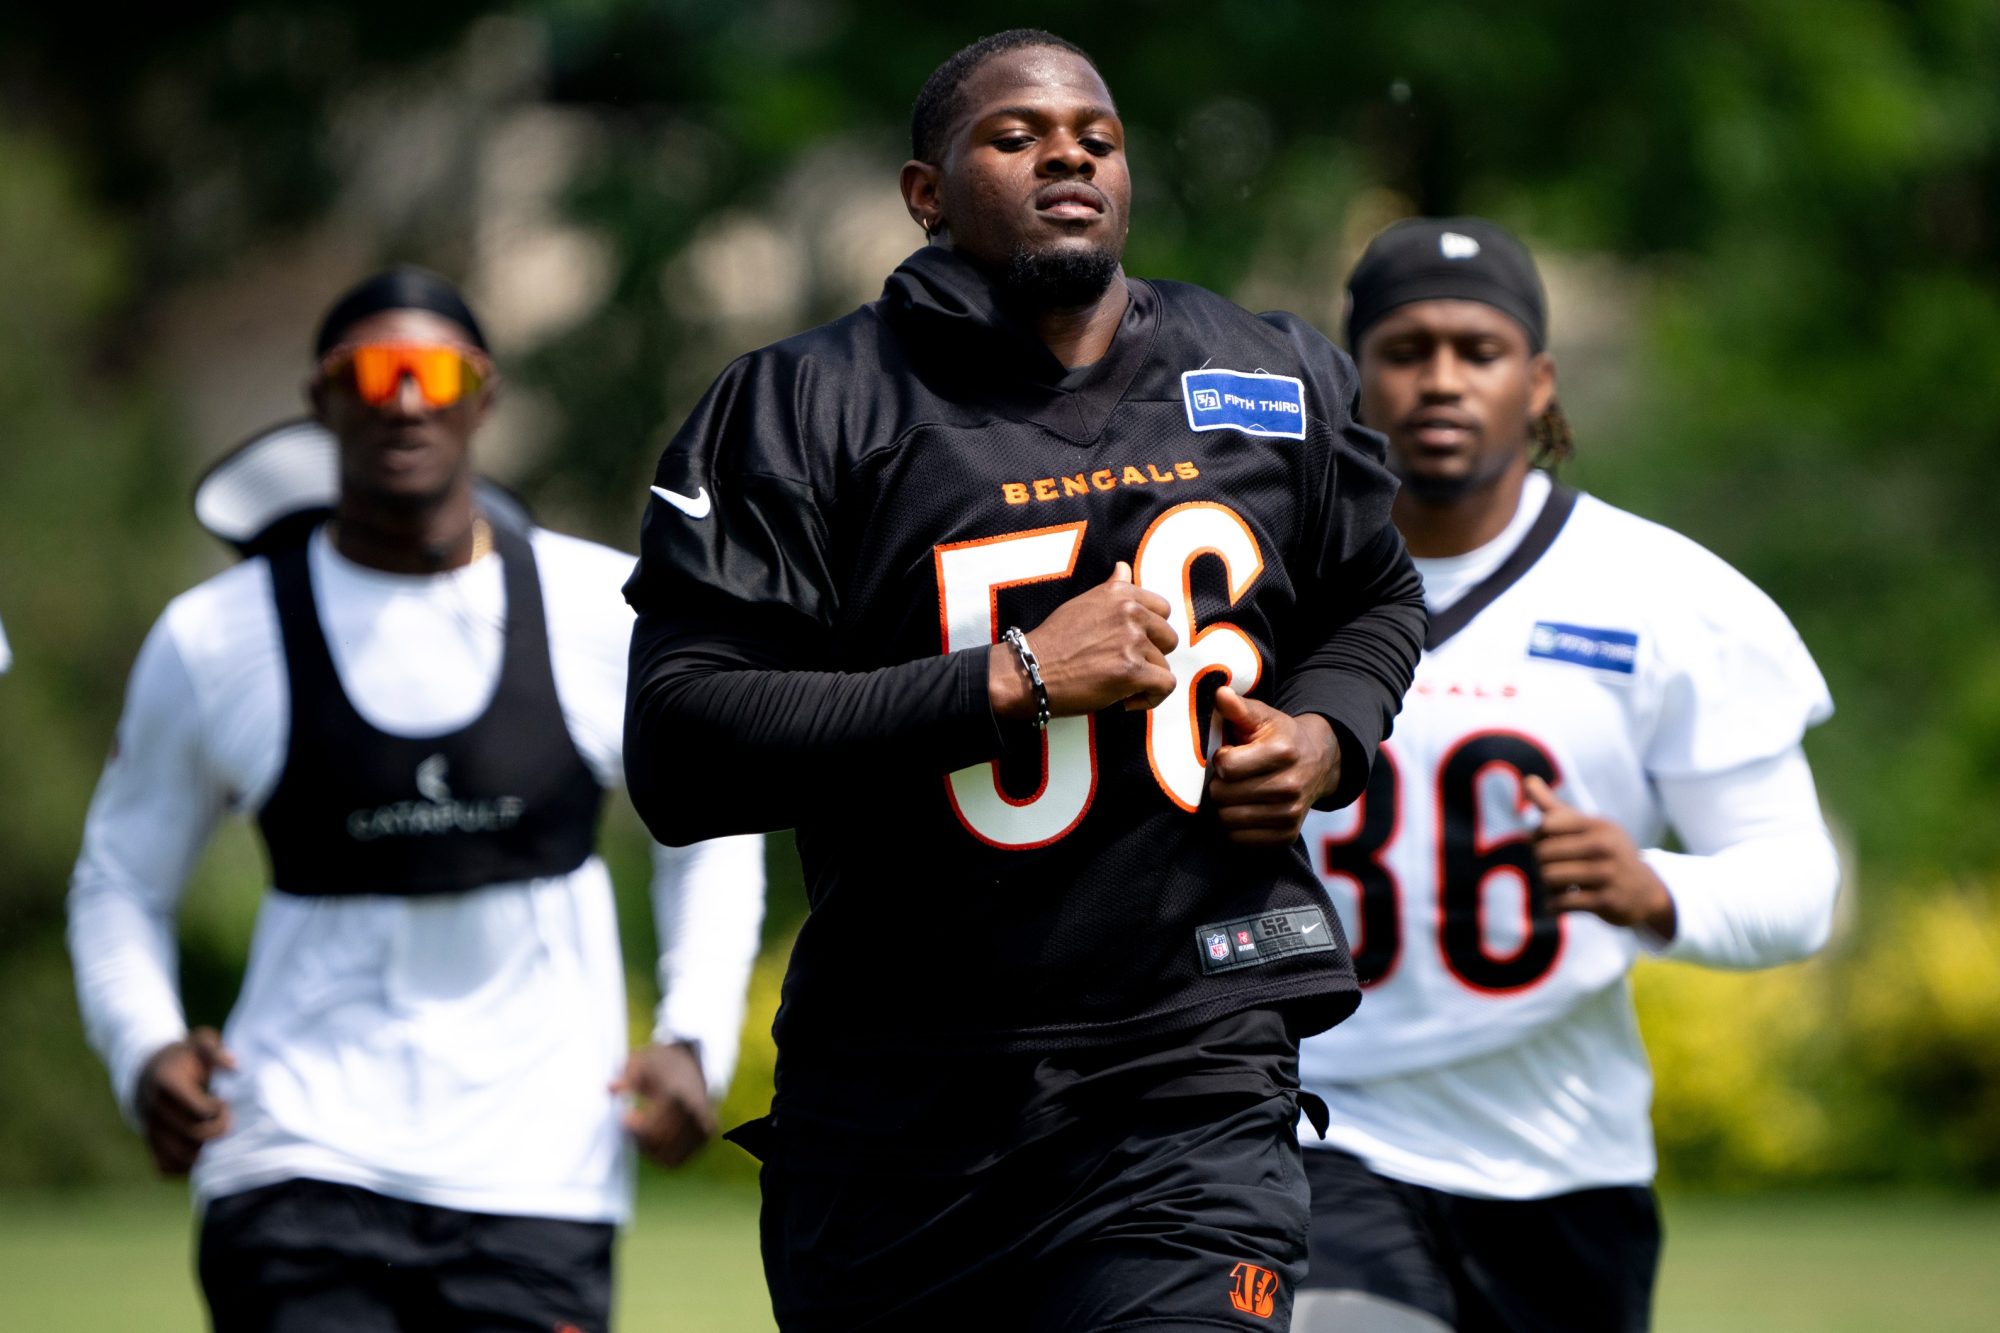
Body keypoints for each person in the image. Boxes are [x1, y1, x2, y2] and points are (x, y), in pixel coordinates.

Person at [622, 28, 1427, 1333]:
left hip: (1188, 1078)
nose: (1067, 152)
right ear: (924, 192)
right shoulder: (801, 407)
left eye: (1096, 137)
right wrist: (1013, 680)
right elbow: (679, 747)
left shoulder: (1269, 375)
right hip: (896, 1107)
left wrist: (1328, 735)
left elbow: (1379, 594)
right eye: (1015, 135)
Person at [67, 267, 767, 1333]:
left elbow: (714, 828)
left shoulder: (598, 609)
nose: (404, 398)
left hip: (538, 1175)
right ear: (321, 399)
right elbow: (119, 875)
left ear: (480, 396)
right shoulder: (216, 637)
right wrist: (144, 1044)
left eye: (433, 371)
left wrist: (694, 1035)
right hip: (293, 1159)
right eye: (372, 371)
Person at [1290, 218, 1841, 1333]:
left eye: (1476, 350)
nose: (1440, 379)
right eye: (1405, 349)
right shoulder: (1265, 585)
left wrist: (1652, 886)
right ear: (1351, 381)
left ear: (1538, 383)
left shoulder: (1666, 596)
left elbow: (1799, 886)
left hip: (1557, 1156)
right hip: (1315, 1131)